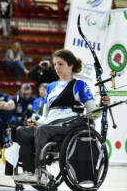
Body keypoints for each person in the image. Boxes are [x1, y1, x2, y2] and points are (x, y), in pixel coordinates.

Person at [12, 49, 111, 183]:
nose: (57, 67)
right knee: (21, 131)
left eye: (61, 64)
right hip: (50, 124)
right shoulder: (51, 87)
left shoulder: (79, 85)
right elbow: (45, 116)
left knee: (42, 130)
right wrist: (36, 122)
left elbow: (93, 114)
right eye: (55, 64)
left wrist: (101, 105)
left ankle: (39, 173)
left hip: (69, 123)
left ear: (71, 65)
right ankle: (29, 171)